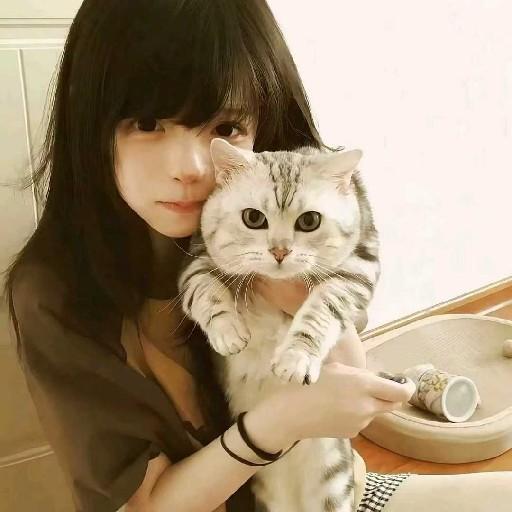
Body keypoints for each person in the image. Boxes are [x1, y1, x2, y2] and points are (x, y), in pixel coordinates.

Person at [3, 2, 511, 512]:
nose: (191, 167)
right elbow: (148, 506)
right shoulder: (56, 293)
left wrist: (299, 300)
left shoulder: (289, 206)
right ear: (89, 121)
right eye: (149, 122)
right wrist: (279, 422)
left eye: (225, 127)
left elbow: (346, 381)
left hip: (334, 491)